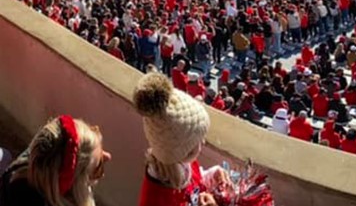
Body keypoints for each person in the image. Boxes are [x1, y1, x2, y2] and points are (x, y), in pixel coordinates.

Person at [134, 72, 229, 206]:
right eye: (197, 140)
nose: (203, 142)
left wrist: (211, 175)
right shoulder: (155, 199)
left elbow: (195, 181)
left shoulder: (181, 161)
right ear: (183, 151)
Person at [0, 115, 111, 206]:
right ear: (74, 190)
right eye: (98, 168)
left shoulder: (23, 171)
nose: (108, 156)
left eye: (94, 130)